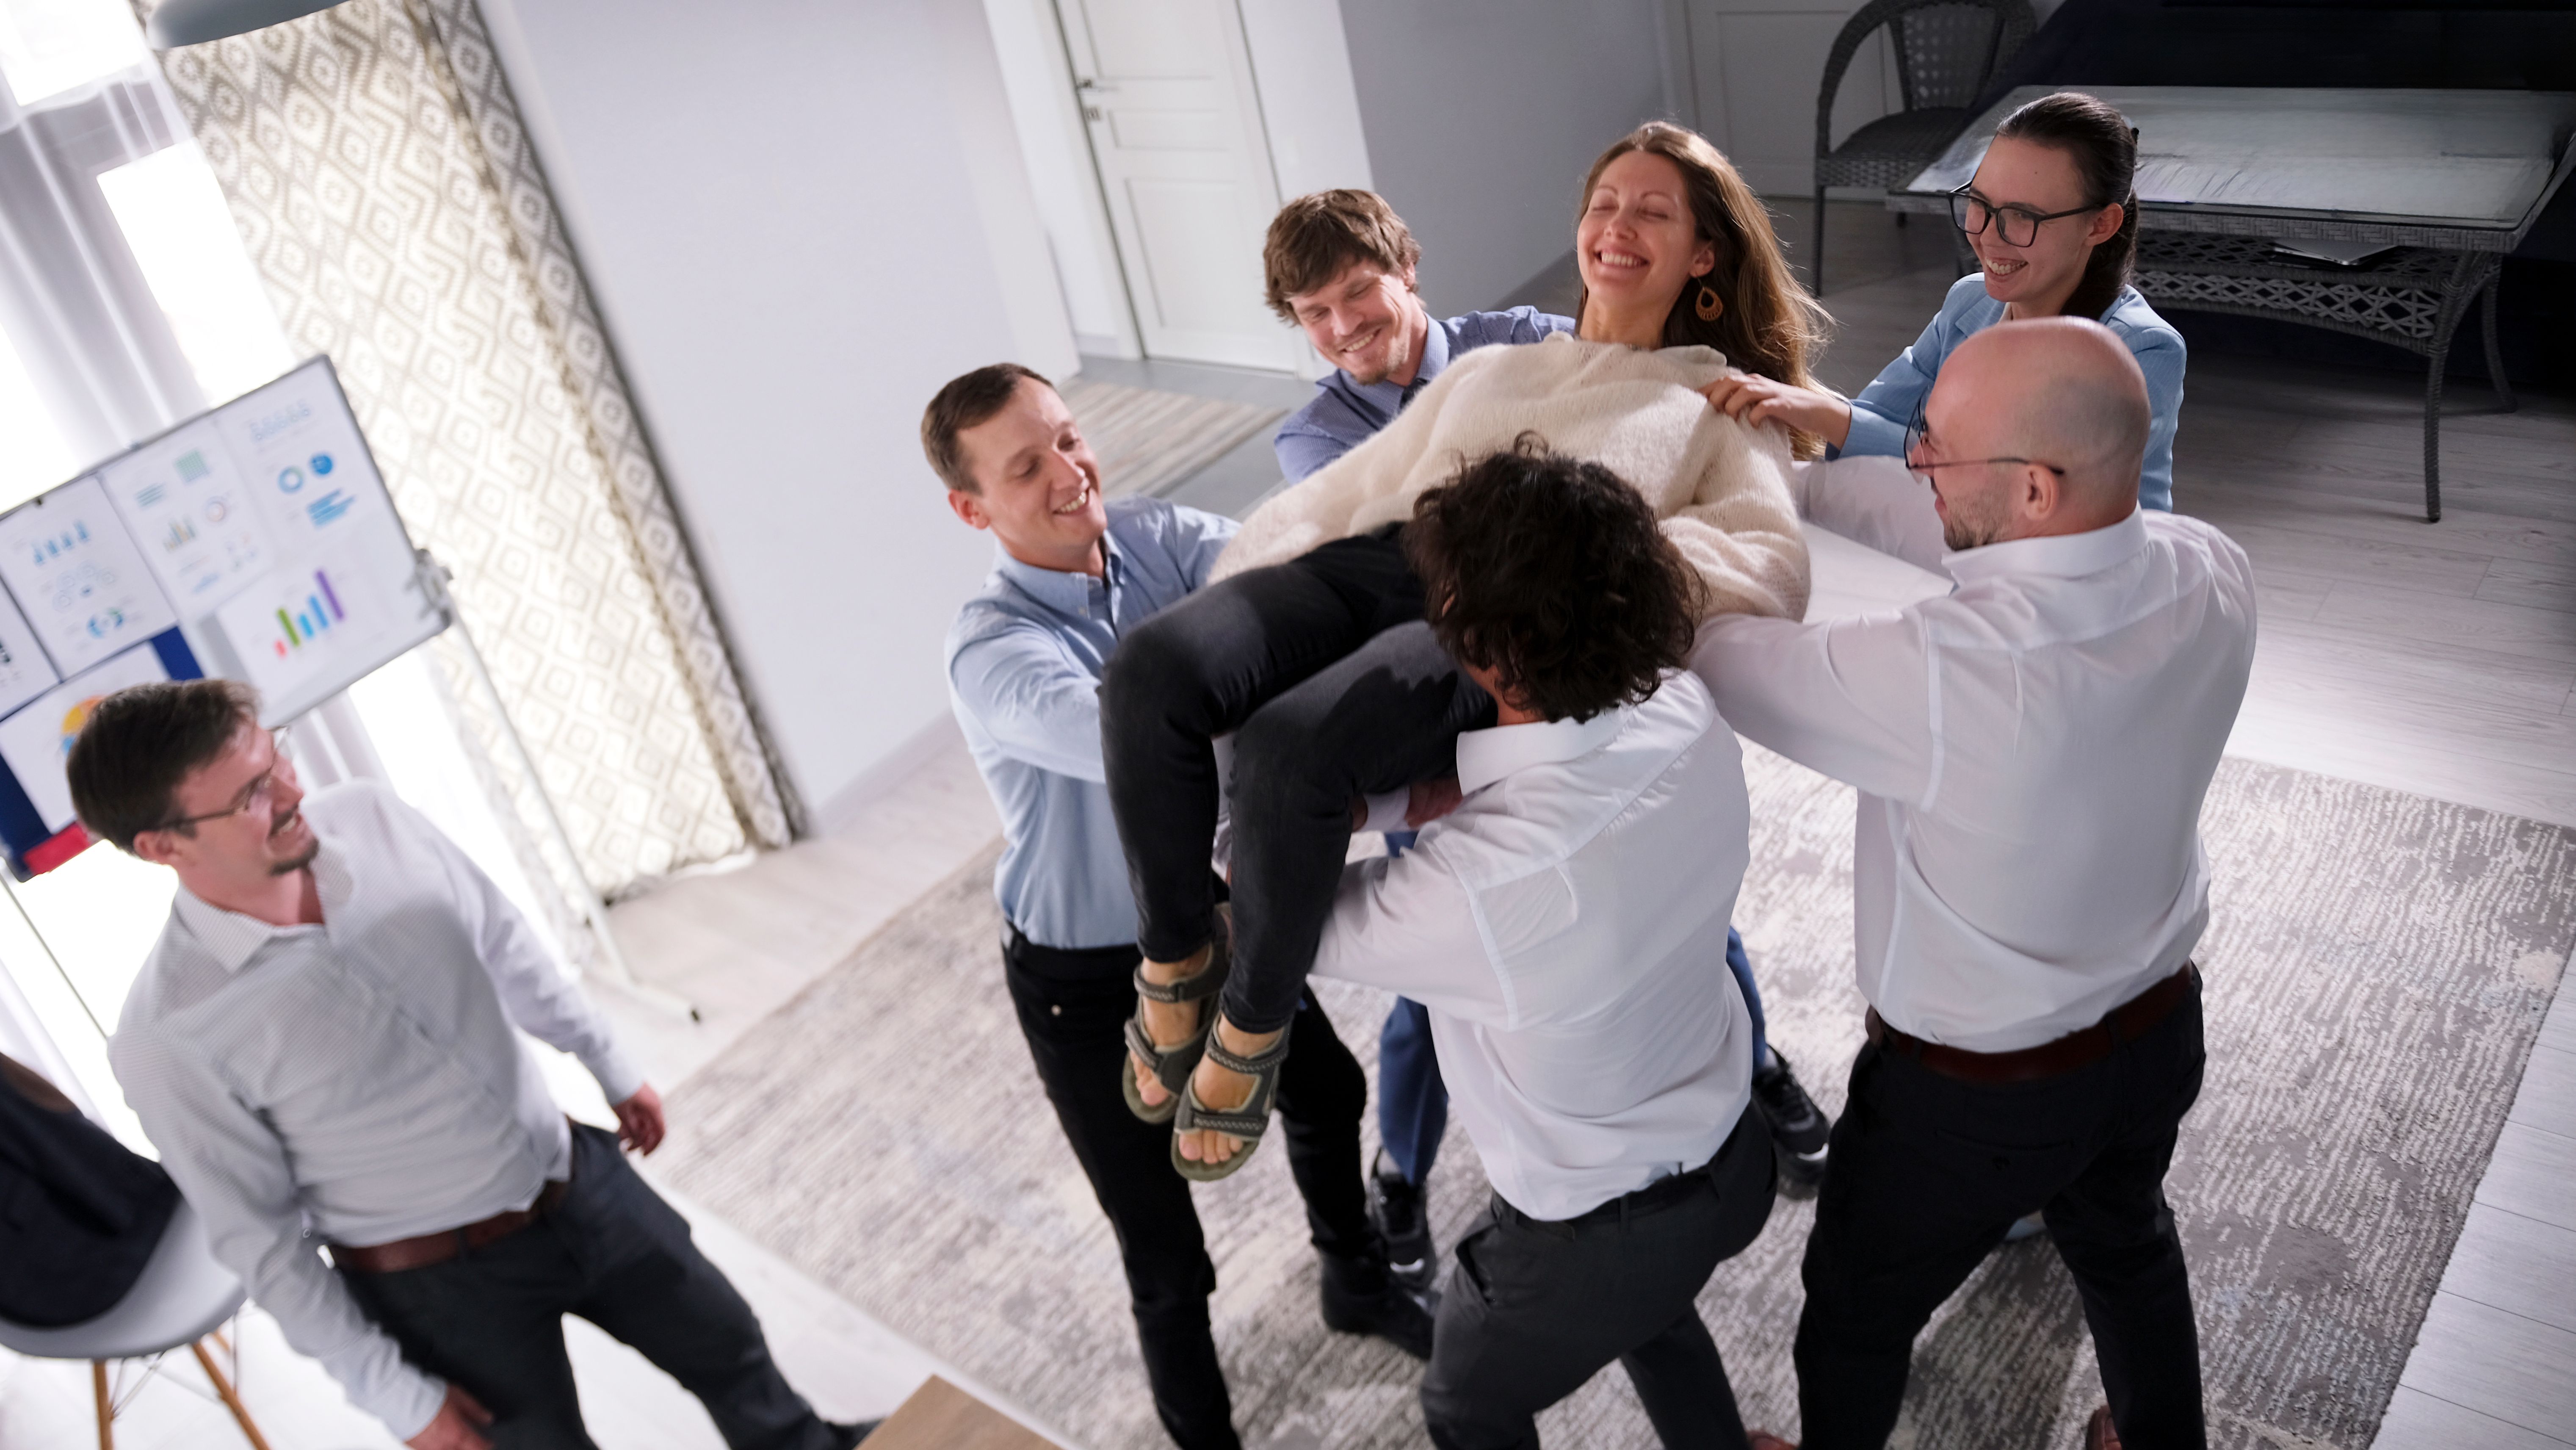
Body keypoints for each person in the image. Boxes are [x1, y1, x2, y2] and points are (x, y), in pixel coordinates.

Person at [1101, 122, 1819, 1184]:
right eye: (1605, 203)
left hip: (1490, 608)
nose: (1618, 225)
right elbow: (1340, 492)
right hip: (1375, 556)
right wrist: (1251, 601)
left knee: (1292, 751)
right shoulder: (1494, 366)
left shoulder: (1712, 402)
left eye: (1653, 211)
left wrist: (1588, 581)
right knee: (1149, 673)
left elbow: (1767, 563)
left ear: (1704, 253)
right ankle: (1175, 956)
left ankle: (1253, 1020)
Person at [1692, 318, 2255, 1450]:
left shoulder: (1948, 672)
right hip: (2158, 1034)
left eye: (1933, 446)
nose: (1914, 460)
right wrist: (1791, 484)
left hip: (1975, 1100)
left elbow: (1716, 653)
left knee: (1853, 1313)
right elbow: (1963, 527)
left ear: (2036, 487)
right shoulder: (2210, 566)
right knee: (2128, 1246)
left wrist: (1689, 522)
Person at [1261, 189, 1832, 1281]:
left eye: (1356, 294)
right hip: (1441, 729)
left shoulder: (1523, 343)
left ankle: (1756, 1066)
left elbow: (1617, 484)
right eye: (1311, 314)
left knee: (1684, 915)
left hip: (1581, 690)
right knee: (1436, 976)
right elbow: (1415, 563)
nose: (1340, 328)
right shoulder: (1316, 438)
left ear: (1407, 265)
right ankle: (1403, 1171)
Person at [80, 681, 864, 1450]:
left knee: (732, 1349)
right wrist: (403, 1402)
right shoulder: (167, 1038)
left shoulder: (371, 818)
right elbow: (263, 1243)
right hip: (440, 1289)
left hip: (577, 1178)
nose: (292, 790)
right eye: (253, 793)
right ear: (162, 845)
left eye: (275, 755)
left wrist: (608, 1061)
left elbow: (504, 940)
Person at [929, 362, 1432, 1450]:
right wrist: (1283, 711)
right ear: (973, 510)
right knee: (1165, 1254)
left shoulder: (1157, 536)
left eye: (1069, 438)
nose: (1071, 472)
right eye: (1027, 466)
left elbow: (1297, 579)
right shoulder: (992, 654)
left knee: (1329, 1090)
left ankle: (1355, 1280)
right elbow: (1159, 748)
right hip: (1084, 979)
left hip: (1201, 915)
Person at [1308, 440, 1776, 1450]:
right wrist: (1411, 796)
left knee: (1463, 1402)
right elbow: (1545, 789)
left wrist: (1331, 802)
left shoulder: (1477, 888)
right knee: (1651, 1314)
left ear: (1474, 643)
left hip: (1589, 1242)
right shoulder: (1686, 709)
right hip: (1736, 1160)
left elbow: (1266, 912)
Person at [1706, 91, 2186, 513]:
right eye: (1980, 203)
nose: (1988, 237)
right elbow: (1876, 422)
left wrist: (1829, 415)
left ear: (2101, 225)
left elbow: (2023, 495)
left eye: (2023, 216)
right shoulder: (1970, 302)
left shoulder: (2141, 349)